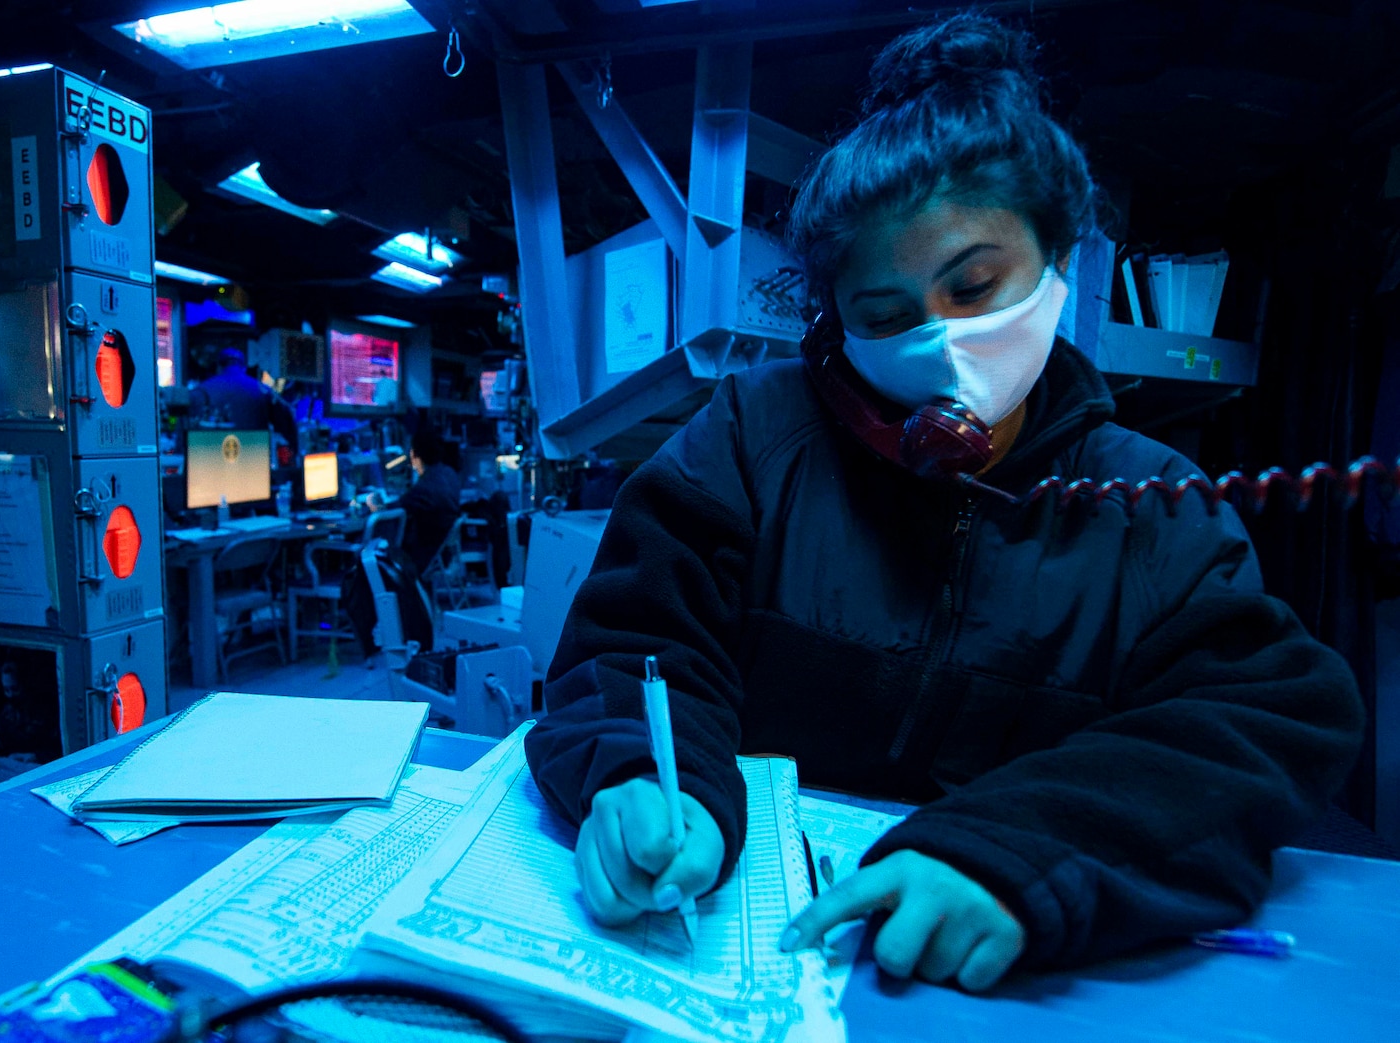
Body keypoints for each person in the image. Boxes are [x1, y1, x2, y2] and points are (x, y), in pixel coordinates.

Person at [523, 13, 1365, 994]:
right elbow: (635, 646)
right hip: (747, 949)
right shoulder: (750, 438)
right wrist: (641, 778)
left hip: (994, 985)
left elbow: (1256, 723)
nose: (938, 341)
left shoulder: (1158, 507)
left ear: (1055, 262)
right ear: (835, 317)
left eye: (974, 284)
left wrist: (1014, 850)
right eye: (882, 315)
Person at [193, 346, 299, 454]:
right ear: (244, 368)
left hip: (208, 461)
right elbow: (287, 424)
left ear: (219, 367)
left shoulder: (201, 391)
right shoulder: (262, 390)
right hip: (254, 460)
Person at [400, 427, 463, 575]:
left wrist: (374, 504)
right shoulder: (449, 473)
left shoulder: (424, 488)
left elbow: (393, 508)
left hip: (422, 556)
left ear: (414, 454)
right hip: (442, 551)